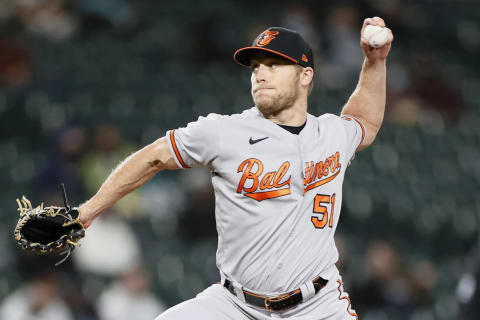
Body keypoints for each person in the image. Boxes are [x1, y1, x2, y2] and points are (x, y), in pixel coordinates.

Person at [78, 16, 393, 319]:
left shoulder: (330, 135)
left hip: (318, 307)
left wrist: (375, 62)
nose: (260, 74)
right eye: (256, 67)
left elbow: (364, 120)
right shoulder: (223, 132)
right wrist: (88, 212)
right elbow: (154, 156)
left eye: (273, 64)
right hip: (235, 306)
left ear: (305, 75)